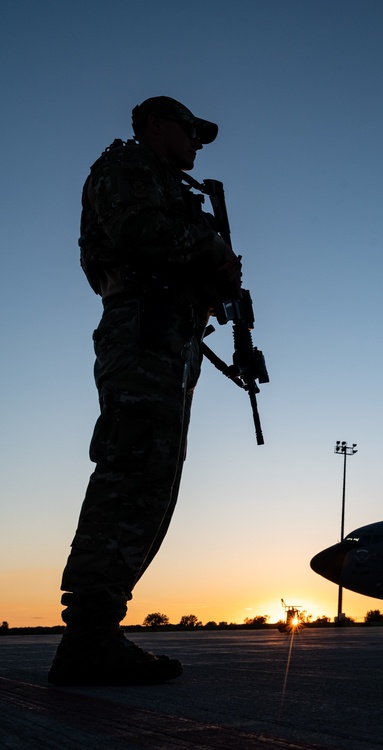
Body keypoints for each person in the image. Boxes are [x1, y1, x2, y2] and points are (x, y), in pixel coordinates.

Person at [49, 97, 242, 686]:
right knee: (131, 467)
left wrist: (219, 288)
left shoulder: (174, 189)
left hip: (169, 337)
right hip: (141, 329)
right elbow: (134, 231)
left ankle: (98, 631)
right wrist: (211, 251)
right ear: (155, 124)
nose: (196, 143)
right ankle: (88, 633)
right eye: (189, 130)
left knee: (155, 478)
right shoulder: (125, 168)